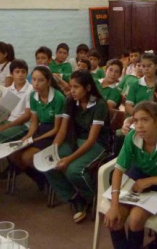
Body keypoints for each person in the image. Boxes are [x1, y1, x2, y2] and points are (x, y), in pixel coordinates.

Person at [104, 101, 157, 249]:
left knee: (136, 219)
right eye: (136, 121)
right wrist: (114, 205)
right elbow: (118, 171)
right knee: (115, 218)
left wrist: (149, 181)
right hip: (134, 180)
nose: (139, 126)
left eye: (145, 120)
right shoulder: (132, 137)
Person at [46, 70, 110, 223]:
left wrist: (68, 159)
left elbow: (92, 139)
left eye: (76, 87)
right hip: (75, 140)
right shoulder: (70, 101)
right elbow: (62, 130)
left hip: (96, 144)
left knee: (73, 170)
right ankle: (74, 198)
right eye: (71, 86)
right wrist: (53, 150)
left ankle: (91, 197)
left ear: (88, 88)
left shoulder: (99, 105)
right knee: (49, 164)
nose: (72, 90)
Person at [10, 66, 65, 189]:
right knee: (13, 155)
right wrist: (29, 136)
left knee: (27, 156)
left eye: (40, 80)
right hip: (41, 129)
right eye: (34, 79)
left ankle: (48, 179)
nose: (36, 83)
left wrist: (36, 140)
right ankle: (40, 178)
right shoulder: (33, 95)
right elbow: (34, 122)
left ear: (48, 81)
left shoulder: (58, 98)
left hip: (54, 132)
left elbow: (57, 129)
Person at [0, 59, 34, 144]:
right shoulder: (9, 90)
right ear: (12, 74)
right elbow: (4, 112)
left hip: (23, 125)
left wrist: (4, 127)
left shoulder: (31, 90)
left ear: (27, 74)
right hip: (8, 121)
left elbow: (27, 116)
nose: (20, 74)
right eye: (17, 72)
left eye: (23, 72)